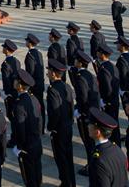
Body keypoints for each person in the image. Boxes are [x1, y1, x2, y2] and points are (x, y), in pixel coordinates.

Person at [46, 59, 76, 187]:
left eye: (49, 70)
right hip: (67, 125)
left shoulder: (53, 90)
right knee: (68, 156)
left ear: (53, 73)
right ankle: (71, 182)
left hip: (59, 129)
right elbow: (71, 105)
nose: (47, 72)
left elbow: (54, 112)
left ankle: (66, 183)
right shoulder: (66, 86)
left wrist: (51, 127)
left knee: (61, 158)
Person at [10, 69, 42, 187]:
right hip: (36, 142)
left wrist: (20, 146)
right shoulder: (33, 99)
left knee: (29, 178)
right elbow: (40, 121)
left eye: (15, 81)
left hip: (27, 146)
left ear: (19, 85)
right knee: (37, 173)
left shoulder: (19, 105)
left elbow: (20, 128)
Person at [72, 49, 100, 176]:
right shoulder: (90, 75)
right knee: (92, 143)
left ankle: (92, 166)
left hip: (86, 114)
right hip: (93, 111)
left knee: (88, 143)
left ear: (79, 63)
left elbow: (82, 97)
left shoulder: (80, 77)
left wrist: (80, 111)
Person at [86, 107, 129, 187]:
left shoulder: (98, 161)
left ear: (97, 132)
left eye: (90, 125)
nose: (88, 126)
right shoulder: (117, 149)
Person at [96, 43, 122, 145]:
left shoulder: (104, 69)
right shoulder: (112, 66)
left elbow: (107, 87)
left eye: (98, 52)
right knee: (115, 124)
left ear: (102, 54)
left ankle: (114, 145)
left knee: (110, 126)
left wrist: (104, 101)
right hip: (114, 100)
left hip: (109, 102)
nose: (97, 54)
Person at [23, 33, 45, 132]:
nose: (25, 42)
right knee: (41, 105)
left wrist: (28, 85)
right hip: (40, 83)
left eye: (26, 41)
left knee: (35, 107)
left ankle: (38, 127)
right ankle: (42, 126)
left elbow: (30, 72)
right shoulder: (38, 53)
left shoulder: (30, 55)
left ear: (29, 43)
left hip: (34, 86)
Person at [0, 39, 21, 134]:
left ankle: (14, 137)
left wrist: (6, 93)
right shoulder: (16, 61)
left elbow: (6, 80)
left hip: (10, 94)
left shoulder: (5, 64)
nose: (3, 49)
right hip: (17, 91)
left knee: (11, 115)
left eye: (4, 47)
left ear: (7, 50)